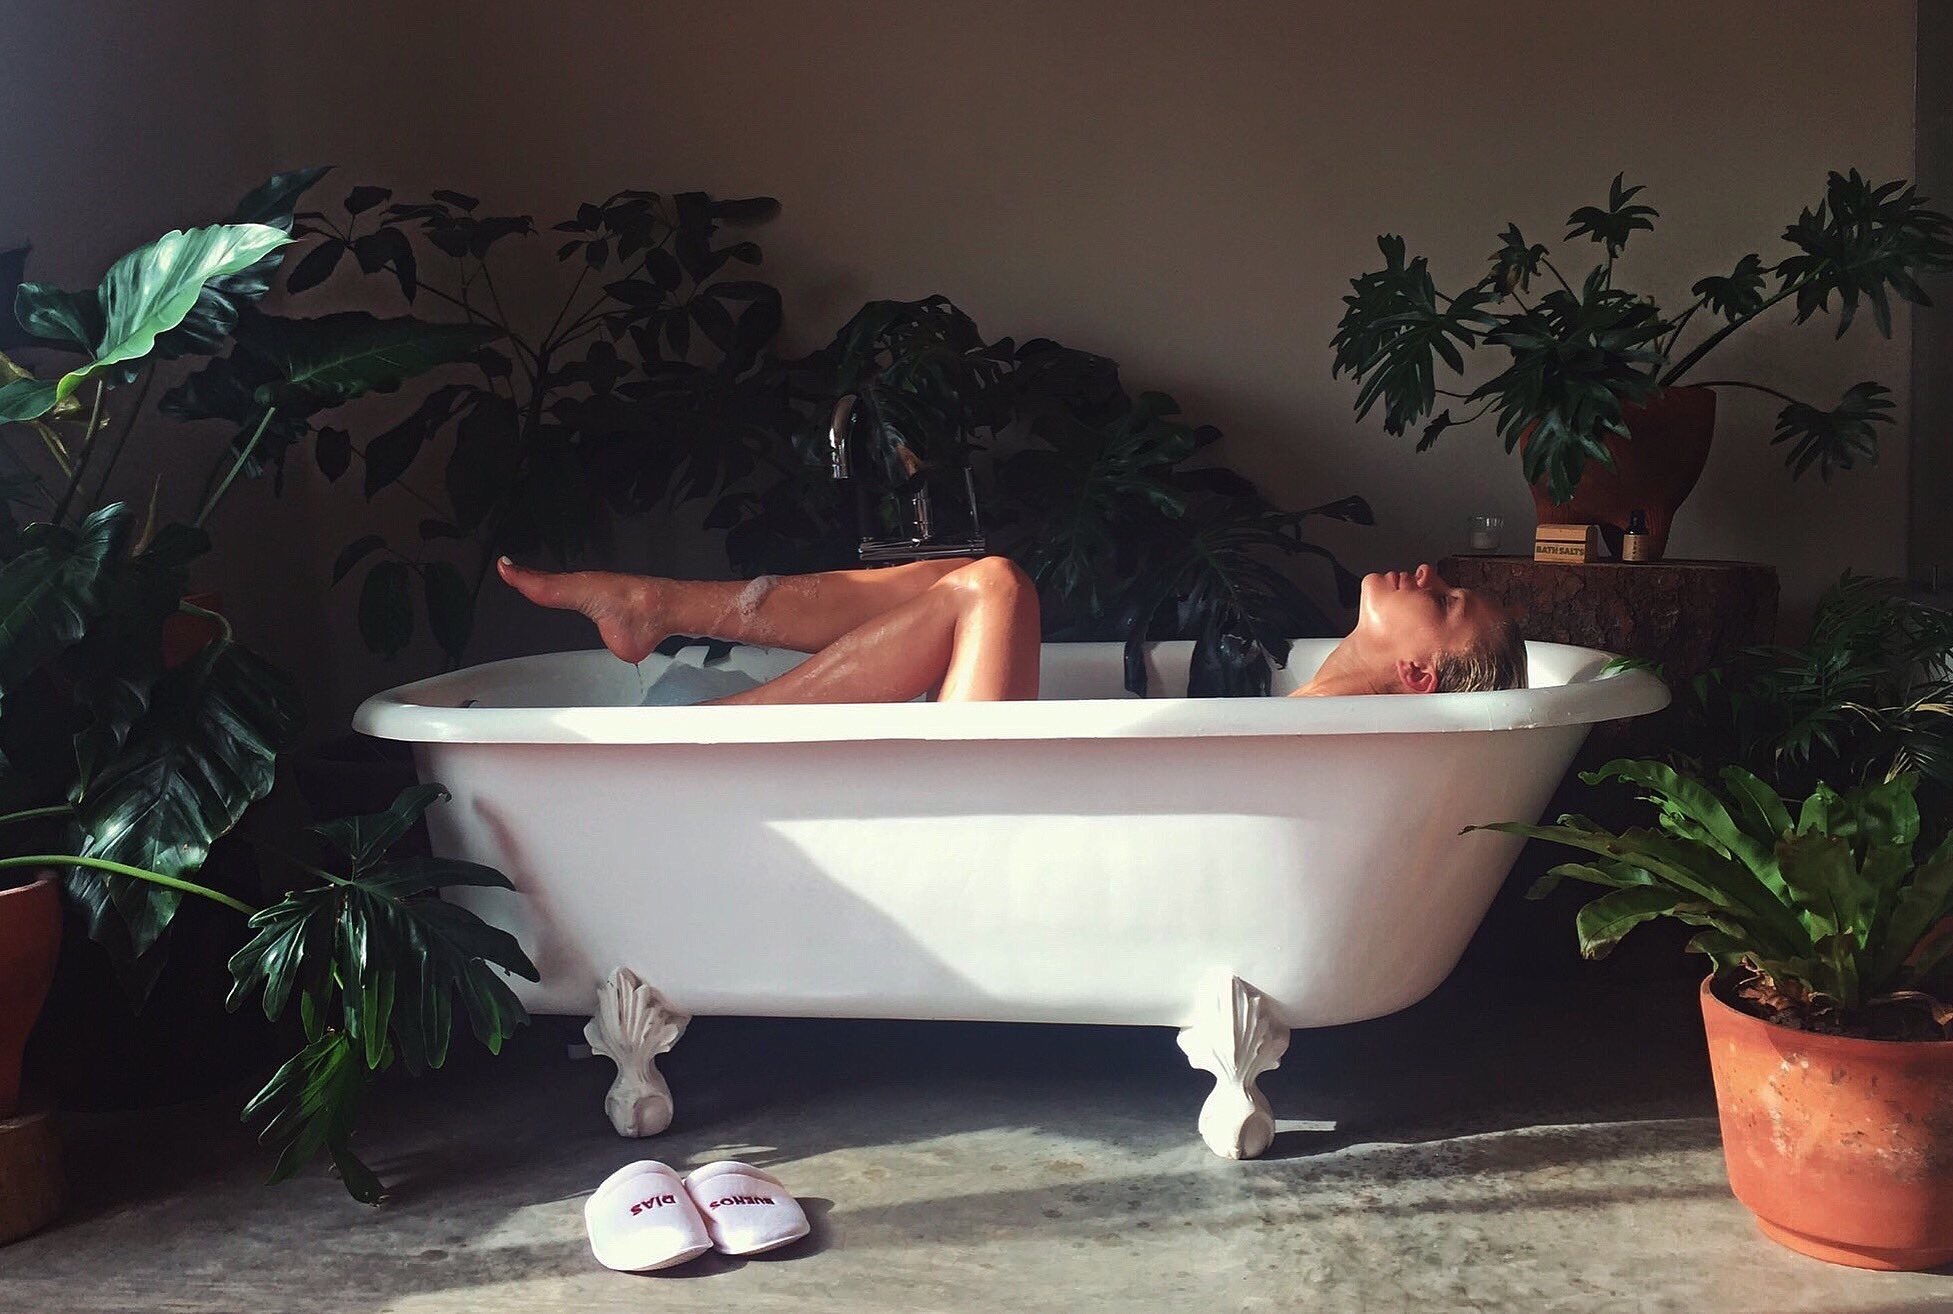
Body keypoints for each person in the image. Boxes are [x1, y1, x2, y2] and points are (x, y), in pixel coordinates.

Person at [495, 555, 1525, 705]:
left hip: (1011, 821)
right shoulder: (1313, 710)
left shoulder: (1328, 731)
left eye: (1443, 602)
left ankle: (705, 737)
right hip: (1017, 789)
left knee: (991, 588)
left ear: (1419, 674)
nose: (1429, 576)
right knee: (954, 580)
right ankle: (656, 607)